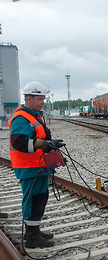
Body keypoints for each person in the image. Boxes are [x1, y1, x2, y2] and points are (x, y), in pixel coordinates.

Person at [8, 82, 56, 248]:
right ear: (28, 98)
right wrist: (41, 144)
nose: (43, 102)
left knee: (40, 198)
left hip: (38, 166)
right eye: (40, 98)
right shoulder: (21, 117)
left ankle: (34, 229)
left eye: (44, 98)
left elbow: (40, 136)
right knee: (32, 200)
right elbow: (18, 142)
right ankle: (32, 238)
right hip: (28, 167)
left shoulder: (35, 115)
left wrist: (50, 143)